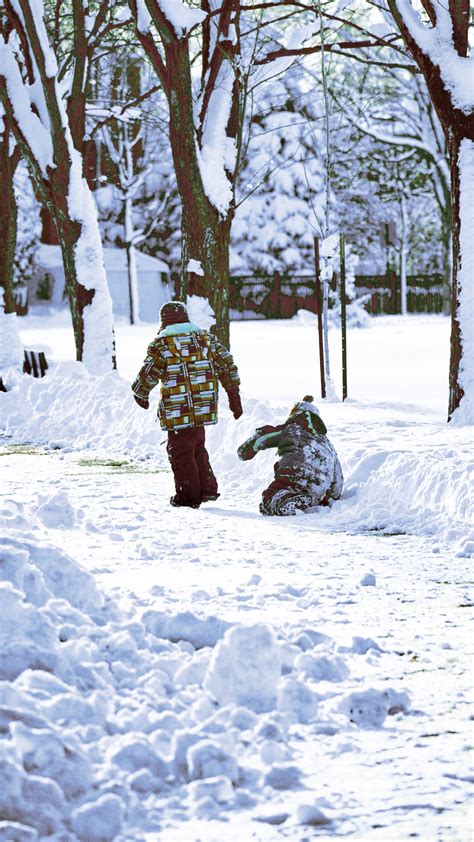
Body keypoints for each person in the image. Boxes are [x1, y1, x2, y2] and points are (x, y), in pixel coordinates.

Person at [132, 301, 242, 509]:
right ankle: (207, 489)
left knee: (180, 451)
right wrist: (233, 395)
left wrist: (141, 392)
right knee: (197, 445)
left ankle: (188, 496)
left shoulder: (162, 344)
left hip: (177, 408)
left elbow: (149, 371)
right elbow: (226, 364)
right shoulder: (205, 339)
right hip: (203, 405)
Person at [237, 395, 343, 516]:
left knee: (269, 498)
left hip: (294, 474)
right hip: (317, 487)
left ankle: (282, 501)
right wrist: (330, 499)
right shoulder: (327, 444)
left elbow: (262, 437)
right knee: (301, 492)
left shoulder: (291, 428)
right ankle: (301, 500)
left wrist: (244, 451)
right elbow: (338, 479)